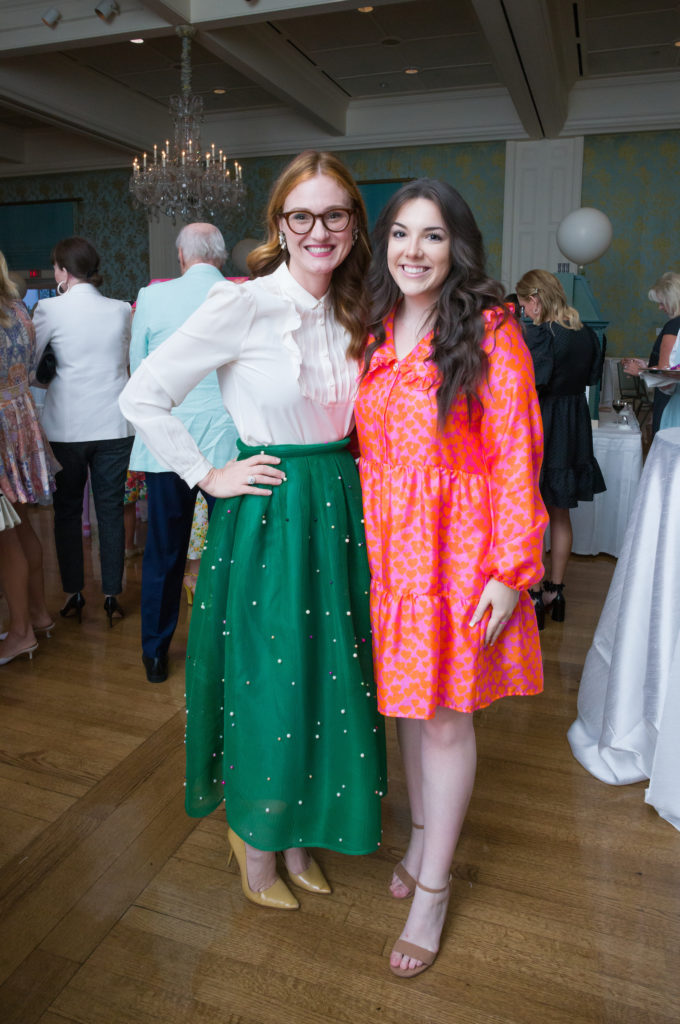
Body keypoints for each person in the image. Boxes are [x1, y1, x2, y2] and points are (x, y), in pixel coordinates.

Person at [120, 151, 386, 910]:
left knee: (331, 675)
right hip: (269, 506)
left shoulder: (358, 304)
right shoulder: (242, 304)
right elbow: (143, 396)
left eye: (335, 214)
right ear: (279, 225)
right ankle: (258, 837)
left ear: (354, 224)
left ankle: (298, 831)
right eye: (302, 216)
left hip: (341, 502)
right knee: (273, 679)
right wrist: (208, 474)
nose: (319, 230)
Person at [354, 179, 547, 978]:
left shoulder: (491, 328)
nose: (412, 251)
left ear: (457, 246)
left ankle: (434, 891)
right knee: (407, 705)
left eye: (431, 236)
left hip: (461, 554)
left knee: (443, 719)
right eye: (400, 234)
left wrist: (513, 569)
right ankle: (423, 836)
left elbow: (515, 452)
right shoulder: (371, 329)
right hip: (391, 550)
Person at [127, 223, 238, 683]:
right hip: (226, 442)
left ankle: (155, 654)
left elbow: (138, 370)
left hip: (168, 443)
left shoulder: (151, 299)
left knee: (165, 552)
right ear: (222, 257)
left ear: (180, 256)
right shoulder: (239, 295)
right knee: (232, 551)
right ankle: (232, 648)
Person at [32, 237, 133, 627]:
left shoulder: (48, 308)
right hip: (114, 424)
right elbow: (123, 363)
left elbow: (32, 364)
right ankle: (111, 595)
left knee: (67, 512)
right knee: (109, 510)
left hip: (66, 426)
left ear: (61, 269)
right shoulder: (121, 309)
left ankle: (74, 592)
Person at [515, 269, 605, 626]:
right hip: (575, 424)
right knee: (560, 513)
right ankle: (557, 589)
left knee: (534, 514)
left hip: (545, 423)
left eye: (524, 306)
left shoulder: (541, 334)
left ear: (535, 301)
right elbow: (593, 378)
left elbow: (534, 383)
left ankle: (535, 594)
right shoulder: (585, 333)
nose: (524, 313)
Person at [0, 250, 59, 665]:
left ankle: (20, 632)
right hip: (20, 417)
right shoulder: (18, 308)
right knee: (18, 526)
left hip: (2, 423)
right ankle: (36, 614)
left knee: (4, 536)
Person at [621, 271, 680, 434]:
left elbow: (668, 377)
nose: (660, 307)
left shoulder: (673, 326)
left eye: (662, 302)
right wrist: (647, 366)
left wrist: (640, 371)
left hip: (671, 403)